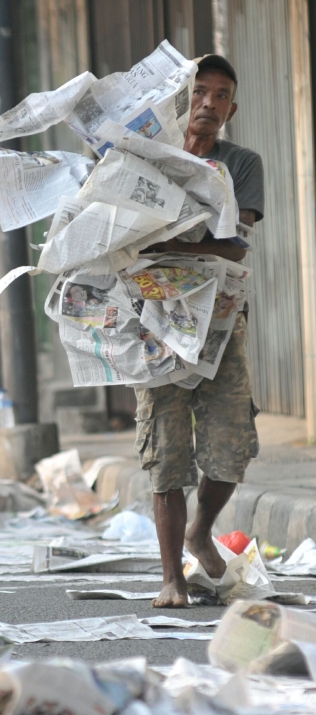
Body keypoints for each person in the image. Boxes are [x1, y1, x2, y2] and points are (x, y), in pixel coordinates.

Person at [135, 54, 264, 608]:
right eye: (199, 92)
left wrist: (170, 244)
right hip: (153, 323)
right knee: (166, 451)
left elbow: (236, 239)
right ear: (180, 101)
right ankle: (172, 578)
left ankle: (201, 528)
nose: (207, 103)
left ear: (231, 108)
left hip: (220, 319)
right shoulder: (147, 161)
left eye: (220, 95)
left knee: (232, 446)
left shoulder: (243, 163)